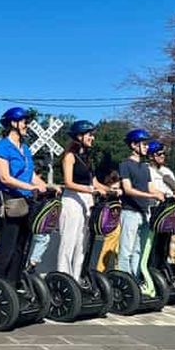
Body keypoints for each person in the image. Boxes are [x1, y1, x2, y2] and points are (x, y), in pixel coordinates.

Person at [0, 107, 53, 284]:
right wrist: (30, 187)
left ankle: (13, 284)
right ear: (13, 123)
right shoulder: (2, 147)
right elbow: (4, 177)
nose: (27, 125)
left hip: (26, 202)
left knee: (21, 247)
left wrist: (46, 186)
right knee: (7, 247)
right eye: (25, 122)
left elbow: (30, 174)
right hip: (9, 201)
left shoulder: (24, 148)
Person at [56, 120, 112, 281]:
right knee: (69, 241)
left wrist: (112, 190)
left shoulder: (87, 158)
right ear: (79, 136)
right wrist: (90, 190)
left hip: (87, 201)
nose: (92, 138)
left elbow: (94, 182)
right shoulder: (69, 157)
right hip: (72, 200)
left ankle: (76, 277)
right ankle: (63, 278)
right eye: (90, 135)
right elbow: (68, 182)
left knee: (82, 242)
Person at [118, 129, 165, 280]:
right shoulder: (125, 165)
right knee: (126, 250)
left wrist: (163, 194)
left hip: (145, 212)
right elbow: (128, 189)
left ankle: (136, 280)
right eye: (144, 144)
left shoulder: (145, 167)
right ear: (133, 145)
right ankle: (125, 281)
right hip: (129, 212)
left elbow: (151, 187)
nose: (146, 147)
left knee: (139, 250)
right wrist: (151, 195)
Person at [96, 170, 122, 272]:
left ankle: (117, 271)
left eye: (118, 188)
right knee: (107, 248)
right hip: (110, 222)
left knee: (118, 250)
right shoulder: (106, 197)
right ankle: (100, 271)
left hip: (119, 221)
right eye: (114, 188)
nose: (117, 191)